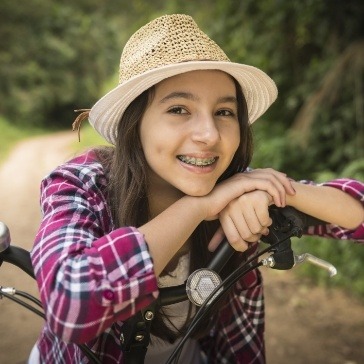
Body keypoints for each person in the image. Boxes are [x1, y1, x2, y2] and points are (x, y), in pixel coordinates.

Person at [30, 14, 364, 364]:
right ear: (135, 124)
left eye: (224, 111)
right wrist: (197, 208)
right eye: (178, 109)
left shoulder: (239, 188)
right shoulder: (80, 184)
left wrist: (274, 189)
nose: (209, 135)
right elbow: (69, 303)